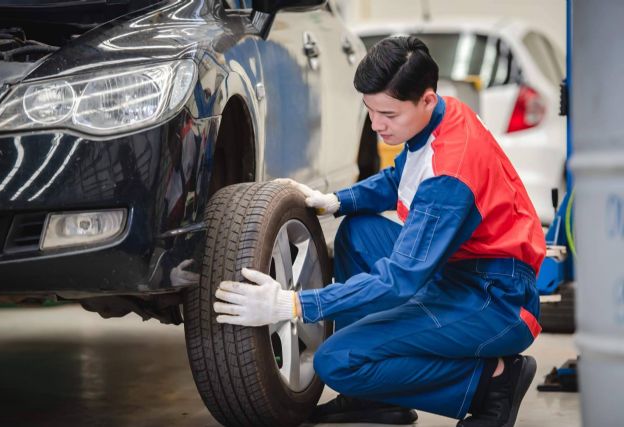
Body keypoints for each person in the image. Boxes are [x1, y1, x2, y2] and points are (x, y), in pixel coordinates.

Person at [213, 36, 546, 427]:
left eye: (388, 114)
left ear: (425, 98)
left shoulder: (451, 177)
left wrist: (293, 305)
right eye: (370, 111)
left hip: (496, 302)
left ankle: (493, 383)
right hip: (461, 268)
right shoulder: (442, 115)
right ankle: (372, 398)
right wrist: (339, 200)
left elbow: (398, 281)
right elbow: (402, 176)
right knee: (359, 232)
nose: (376, 125)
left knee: (335, 360)